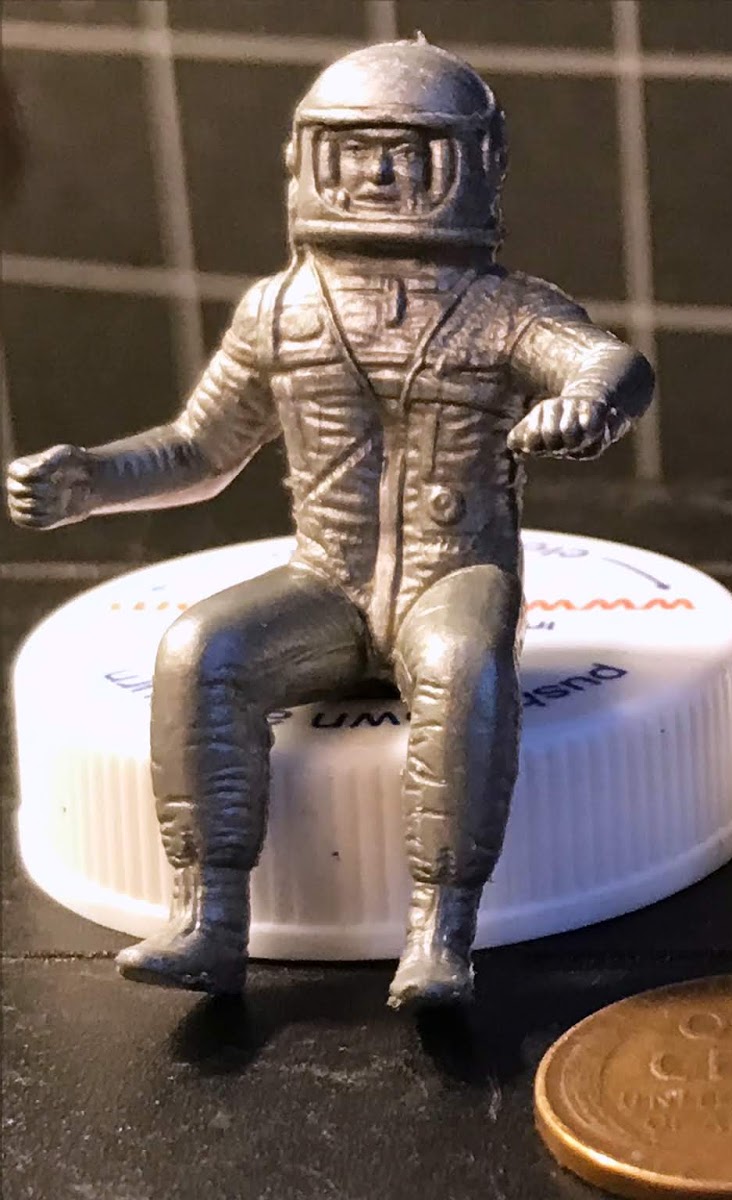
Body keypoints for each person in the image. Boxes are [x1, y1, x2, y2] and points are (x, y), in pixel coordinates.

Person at [6, 38, 654, 1008]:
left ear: (468, 165)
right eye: (356, 152)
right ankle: (208, 915)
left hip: (455, 574)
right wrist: (93, 480)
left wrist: (588, 407)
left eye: (406, 154)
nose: (379, 176)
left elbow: (611, 363)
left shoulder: (505, 311)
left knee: (463, 667)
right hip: (326, 582)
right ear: (309, 160)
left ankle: (440, 932)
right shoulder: (280, 311)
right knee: (199, 651)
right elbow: (199, 448)